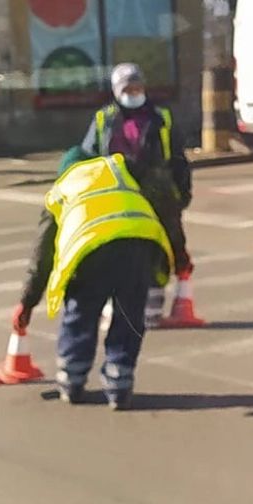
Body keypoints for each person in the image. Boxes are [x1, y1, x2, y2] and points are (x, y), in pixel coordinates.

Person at [13, 154, 173, 410]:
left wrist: (27, 301)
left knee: (81, 314)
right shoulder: (122, 174)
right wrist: (176, 255)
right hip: (138, 243)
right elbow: (164, 204)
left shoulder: (61, 191)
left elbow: (43, 254)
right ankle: (119, 386)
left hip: (90, 251)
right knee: (129, 316)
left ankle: (72, 382)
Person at [78, 63, 198, 328]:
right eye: (127, 88)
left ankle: (152, 312)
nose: (133, 92)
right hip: (118, 195)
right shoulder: (103, 119)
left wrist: (182, 191)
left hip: (158, 195)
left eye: (137, 86)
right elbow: (88, 158)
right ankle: (116, 309)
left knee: (160, 250)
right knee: (117, 250)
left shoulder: (161, 117)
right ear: (116, 90)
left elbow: (178, 158)